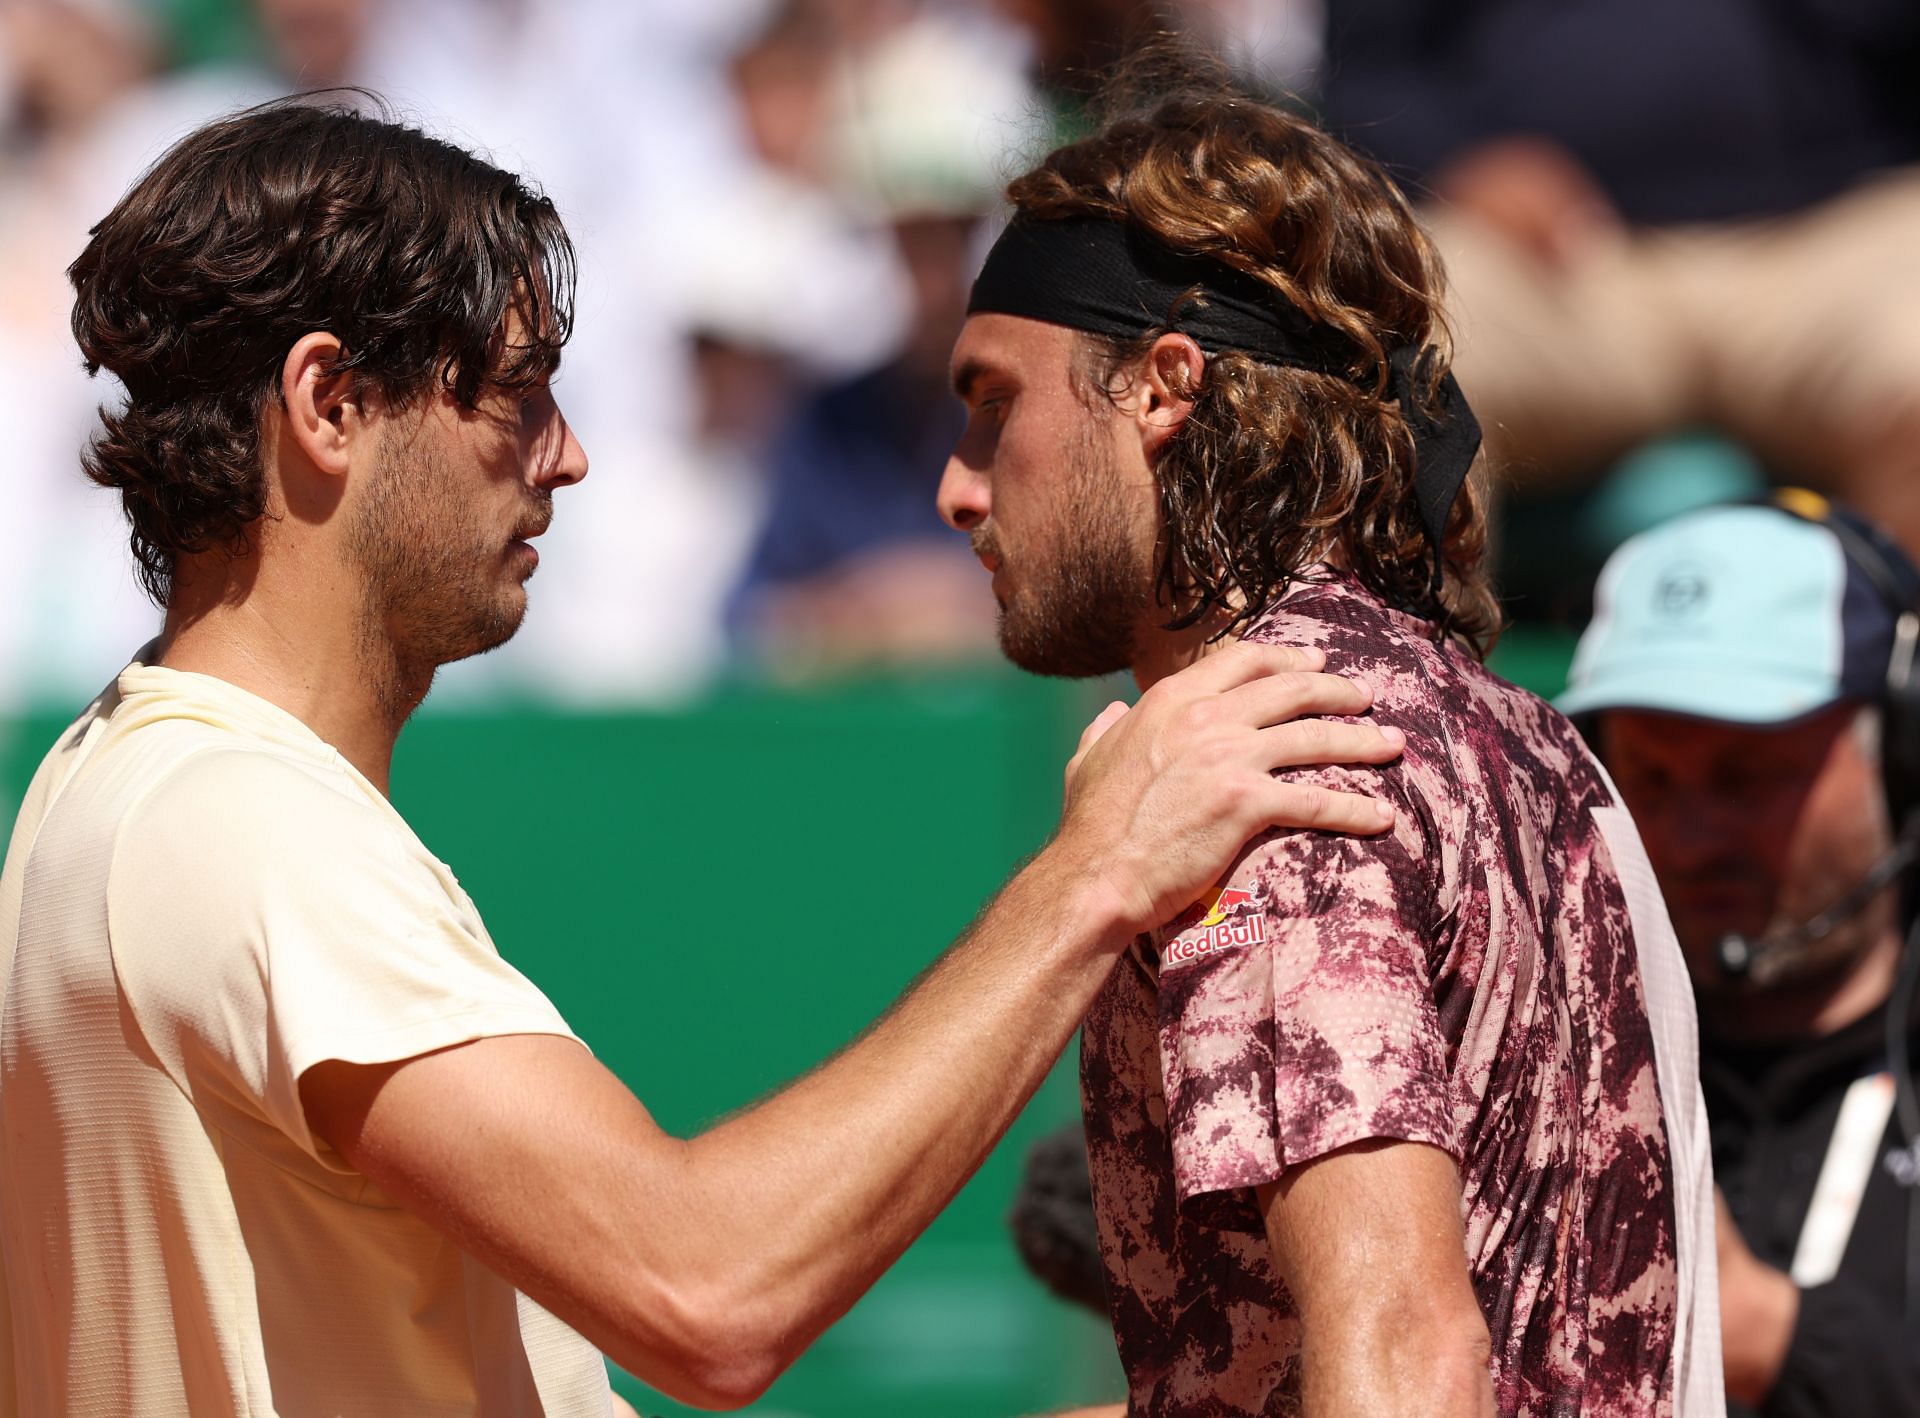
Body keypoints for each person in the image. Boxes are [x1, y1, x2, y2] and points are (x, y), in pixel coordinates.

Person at [0, 99, 1411, 1414]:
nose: (567, 457)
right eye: (515, 392)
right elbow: (708, 1289)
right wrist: (1097, 869)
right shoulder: (241, 830)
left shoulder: (117, 787)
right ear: (327, 406)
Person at [937, 74, 1722, 1416]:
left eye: (993, 403)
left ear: (1161, 389)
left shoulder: (1267, 767)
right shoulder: (1529, 742)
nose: (957, 485)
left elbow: (1406, 1346)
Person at [1560, 493, 1920, 1416]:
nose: (1690, 836)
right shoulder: (1561, 1041)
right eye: (1649, 777)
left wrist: (1768, 1339)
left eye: (1749, 776)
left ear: (1903, 755)